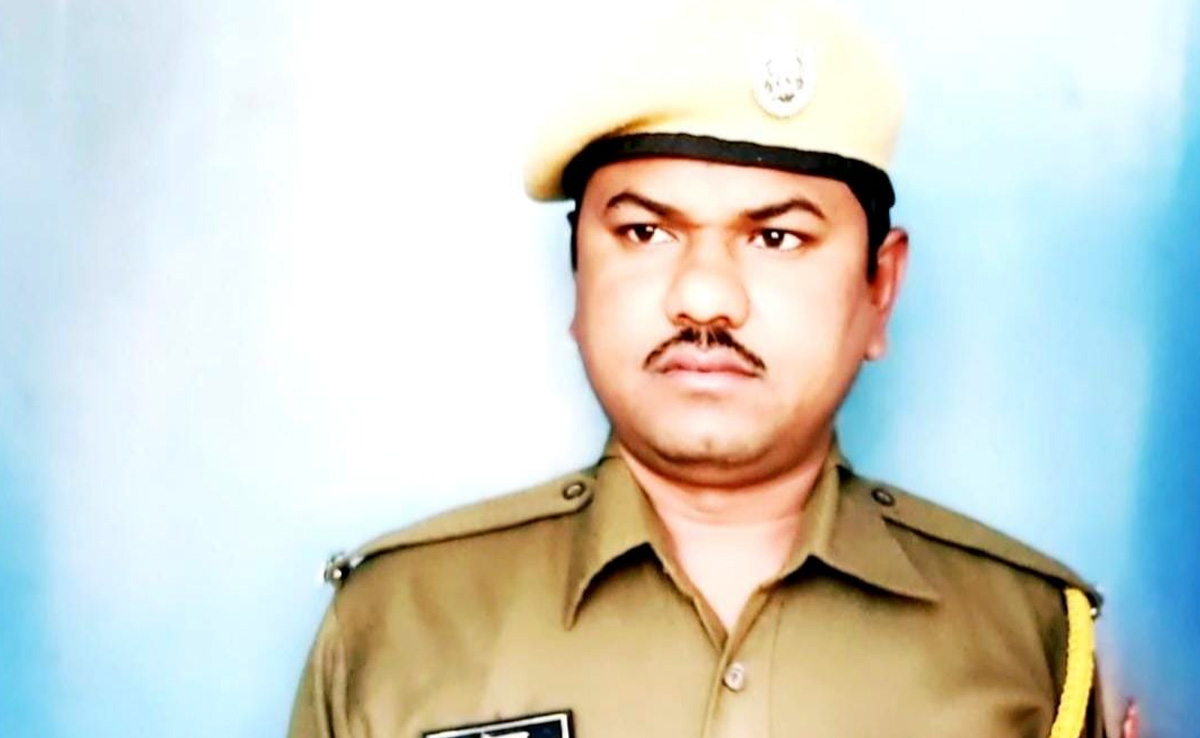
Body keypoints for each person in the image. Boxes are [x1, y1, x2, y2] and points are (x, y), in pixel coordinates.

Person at [288, 1, 1122, 736]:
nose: (704, 298)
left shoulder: (1031, 641)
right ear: (578, 277)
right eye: (645, 233)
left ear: (880, 288)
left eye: (777, 237)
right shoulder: (397, 625)